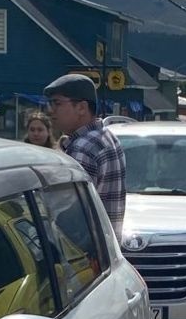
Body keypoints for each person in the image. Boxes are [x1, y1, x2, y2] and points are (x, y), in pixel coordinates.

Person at [44, 74, 126, 240]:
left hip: (85, 253)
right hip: (107, 247)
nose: (51, 110)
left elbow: (70, 213)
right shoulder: (108, 137)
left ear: (81, 107)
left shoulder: (83, 147)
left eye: (57, 103)